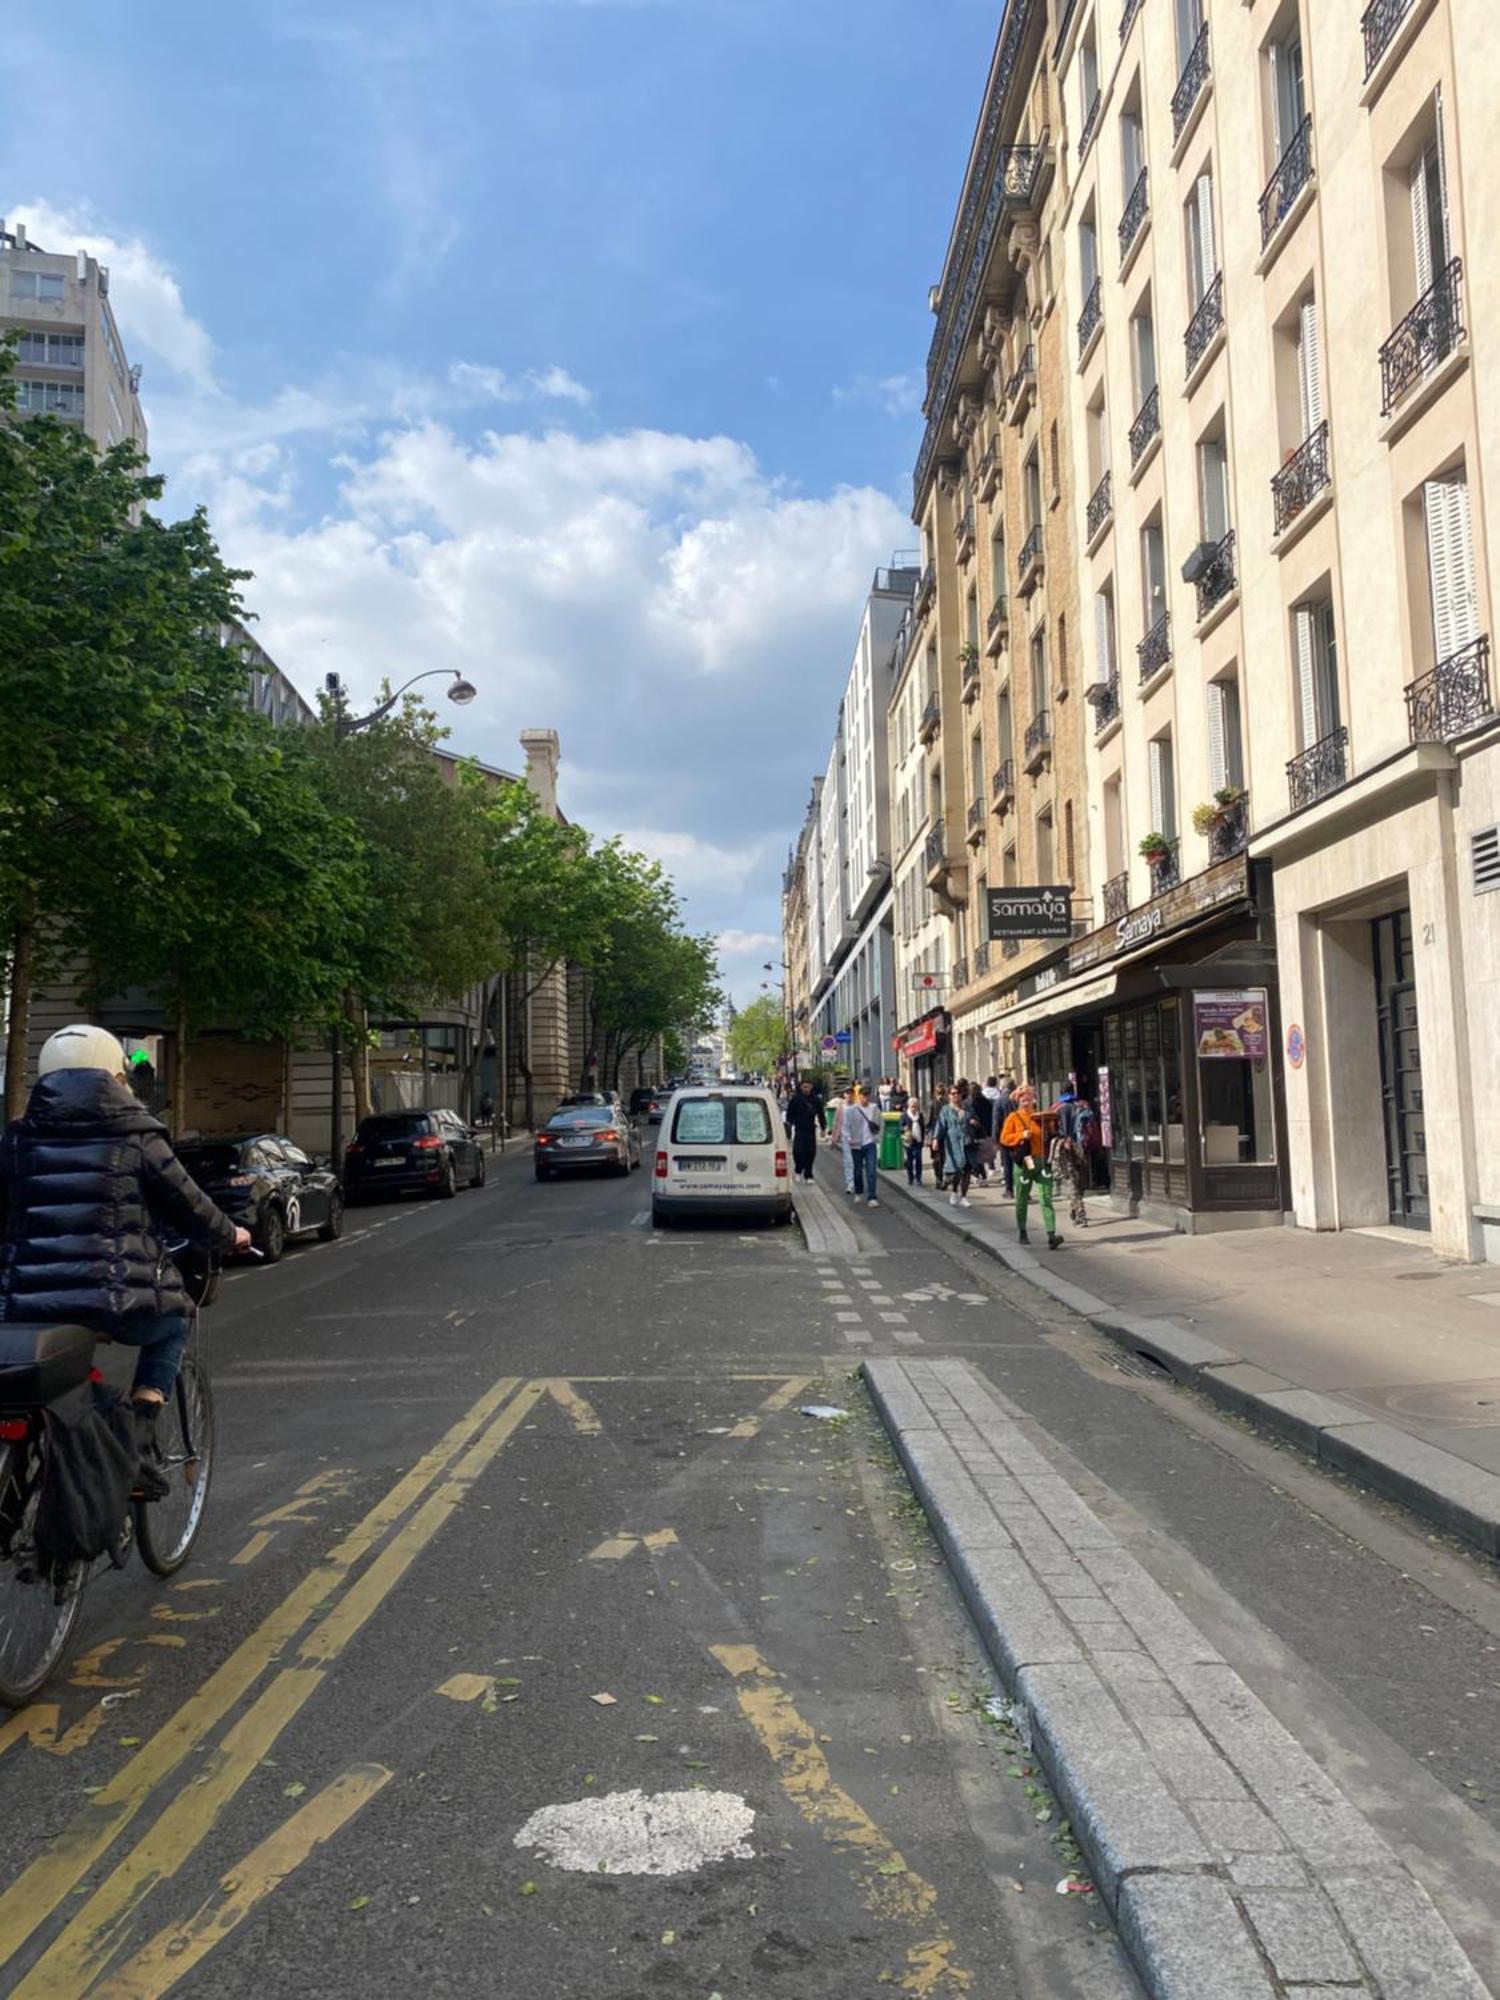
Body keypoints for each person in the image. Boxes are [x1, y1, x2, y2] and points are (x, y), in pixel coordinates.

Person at [0, 1025, 251, 1494]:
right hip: (111, 1299)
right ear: (117, 1078)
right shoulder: (136, 1135)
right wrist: (229, 1233)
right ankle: (136, 1436)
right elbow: (190, 1205)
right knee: (174, 1321)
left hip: (26, 1308)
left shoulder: (16, 1139)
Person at [1000, 1083, 1062, 1250]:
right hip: (1025, 1162)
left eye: (1028, 1097)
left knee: (1046, 1198)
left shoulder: (1040, 1116)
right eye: (1022, 1097)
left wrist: (1051, 1127)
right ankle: (1022, 1231)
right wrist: (1021, 1135)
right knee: (1021, 1198)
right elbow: (1004, 1138)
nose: (1026, 1100)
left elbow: (1052, 1134)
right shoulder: (1013, 1117)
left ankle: (1051, 1234)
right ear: (1017, 1100)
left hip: (1041, 1161)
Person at [935, 1085, 972, 1208]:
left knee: (967, 1170)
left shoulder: (967, 1108)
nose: (955, 1095)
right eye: (952, 1093)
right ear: (949, 1096)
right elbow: (941, 1125)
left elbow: (976, 1121)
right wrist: (936, 1139)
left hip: (967, 1142)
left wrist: (974, 1123)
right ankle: (954, 1191)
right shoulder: (945, 1110)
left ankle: (964, 1197)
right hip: (952, 1143)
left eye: (957, 1093)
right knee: (956, 1171)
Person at [846, 1086, 881, 1206]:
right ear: (859, 1096)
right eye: (863, 1095)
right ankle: (859, 1192)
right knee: (857, 1171)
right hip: (857, 1144)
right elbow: (846, 1126)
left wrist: (878, 1138)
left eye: (867, 1095)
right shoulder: (852, 1110)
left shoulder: (874, 1108)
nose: (865, 1098)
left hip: (870, 1143)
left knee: (871, 1171)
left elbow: (881, 1124)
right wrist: (849, 1138)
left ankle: (872, 1196)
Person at [784, 1077, 821, 1184]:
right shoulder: (796, 1099)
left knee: (811, 1153)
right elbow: (789, 1113)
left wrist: (823, 1127)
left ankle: (808, 1175)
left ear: (811, 1087)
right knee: (798, 1151)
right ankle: (798, 1170)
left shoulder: (815, 1100)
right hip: (799, 1129)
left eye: (808, 1087)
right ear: (801, 1087)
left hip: (811, 1129)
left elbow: (821, 1114)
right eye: (804, 1087)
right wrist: (789, 1125)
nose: (806, 1089)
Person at [829, 1088, 856, 1195]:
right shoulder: (841, 1108)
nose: (849, 1095)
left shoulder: (857, 1107)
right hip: (845, 1138)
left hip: (857, 1139)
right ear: (844, 1095)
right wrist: (834, 1138)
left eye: (850, 1093)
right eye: (847, 1093)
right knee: (848, 1161)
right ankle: (850, 1183)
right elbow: (836, 1123)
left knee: (856, 1162)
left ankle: (856, 1182)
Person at [901, 1095, 926, 1185]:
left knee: (918, 1159)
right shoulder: (905, 1115)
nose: (914, 1108)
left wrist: (923, 1139)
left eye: (915, 1106)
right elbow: (900, 1126)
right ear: (909, 1106)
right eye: (912, 1106)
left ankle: (919, 1178)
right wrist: (904, 1129)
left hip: (918, 1140)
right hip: (909, 1141)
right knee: (910, 1160)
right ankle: (910, 1178)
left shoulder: (920, 1115)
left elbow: (923, 1128)